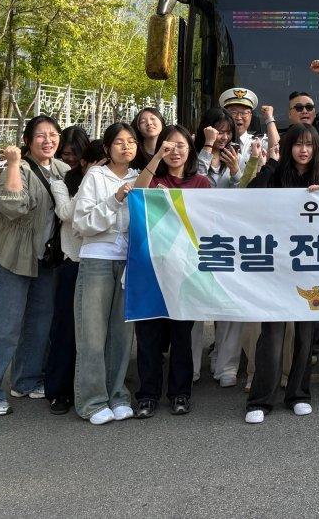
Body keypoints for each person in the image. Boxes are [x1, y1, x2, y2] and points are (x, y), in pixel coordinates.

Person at [0, 115, 69, 417]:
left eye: (53, 134)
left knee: (39, 324)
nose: (48, 140)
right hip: (12, 258)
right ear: (27, 141)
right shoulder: (20, 169)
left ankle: (26, 380)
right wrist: (13, 163)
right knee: (2, 328)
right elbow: (12, 206)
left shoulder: (60, 170)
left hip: (45, 260)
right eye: (40, 135)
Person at [244, 124, 319, 424]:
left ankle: (299, 394)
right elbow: (251, 195)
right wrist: (270, 161)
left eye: (309, 144)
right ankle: (260, 400)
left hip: (312, 267)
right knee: (272, 334)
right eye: (297, 144)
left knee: (307, 335)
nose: (303, 150)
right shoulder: (276, 174)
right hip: (278, 265)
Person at [70, 122, 148, 425]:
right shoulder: (95, 176)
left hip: (128, 263)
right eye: (118, 142)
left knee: (121, 333)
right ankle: (91, 401)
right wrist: (114, 199)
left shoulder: (139, 178)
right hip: (97, 260)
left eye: (131, 142)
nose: (126, 147)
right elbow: (82, 222)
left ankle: (117, 395)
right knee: (91, 334)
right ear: (106, 148)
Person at [135, 125, 210, 418]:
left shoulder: (201, 183)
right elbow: (137, 191)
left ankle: (180, 393)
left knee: (182, 336)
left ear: (191, 149)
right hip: (151, 268)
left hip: (185, 270)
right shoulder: (154, 179)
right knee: (149, 335)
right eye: (169, 146)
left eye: (181, 146)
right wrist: (155, 159)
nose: (175, 151)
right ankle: (147, 395)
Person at [193, 107, 247, 386]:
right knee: (192, 306)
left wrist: (237, 171)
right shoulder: (193, 153)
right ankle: (190, 367)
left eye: (228, 132)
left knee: (229, 305)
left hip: (228, 239)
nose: (224, 136)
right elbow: (195, 183)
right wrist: (207, 146)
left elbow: (245, 198)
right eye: (218, 130)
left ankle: (226, 366)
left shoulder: (237, 156)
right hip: (194, 239)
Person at [44, 126, 94, 415]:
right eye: (67, 156)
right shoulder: (61, 183)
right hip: (70, 263)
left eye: (77, 155)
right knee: (65, 329)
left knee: (95, 332)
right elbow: (67, 214)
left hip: (100, 263)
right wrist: (89, 183)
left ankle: (90, 386)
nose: (72, 161)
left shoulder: (103, 179)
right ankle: (58, 390)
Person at [195, 107, 243, 189]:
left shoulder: (235, 157)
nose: (225, 137)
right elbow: (197, 182)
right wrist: (209, 143)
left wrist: (235, 172)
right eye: (220, 132)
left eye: (229, 133)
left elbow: (241, 190)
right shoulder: (192, 155)